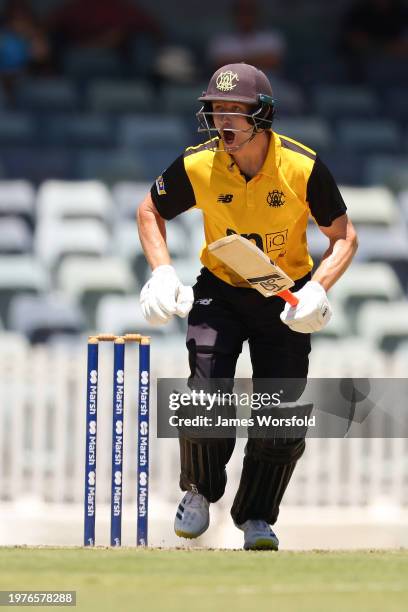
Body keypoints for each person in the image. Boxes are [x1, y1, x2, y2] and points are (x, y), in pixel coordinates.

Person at [137, 63, 358, 550]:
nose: (224, 121)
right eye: (217, 110)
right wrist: (162, 271)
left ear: (263, 115)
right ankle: (198, 491)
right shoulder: (199, 165)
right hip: (221, 289)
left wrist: (317, 289)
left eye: (236, 111)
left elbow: (343, 235)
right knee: (204, 393)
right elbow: (150, 208)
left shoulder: (301, 167)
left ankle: (256, 516)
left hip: (284, 293)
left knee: (281, 412)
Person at [207, 0, 286, 73]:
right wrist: (259, 59)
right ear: (234, 14)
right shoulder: (221, 41)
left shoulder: (271, 38)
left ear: (257, 13)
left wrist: (234, 62)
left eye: (249, 11)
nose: (245, 16)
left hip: (269, 83)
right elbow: (220, 66)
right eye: (241, 11)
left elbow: (273, 62)